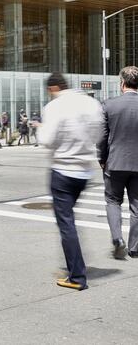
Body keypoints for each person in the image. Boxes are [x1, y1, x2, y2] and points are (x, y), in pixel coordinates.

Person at [39, 73, 103, 291]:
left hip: (63, 171)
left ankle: (77, 276)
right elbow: (98, 134)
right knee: (69, 221)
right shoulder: (90, 103)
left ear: (52, 88)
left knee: (66, 224)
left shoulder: (55, 107)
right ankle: (76, 264)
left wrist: (40, 128)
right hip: (85, 173)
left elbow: (46, 140)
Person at [98, 66, 138, 260]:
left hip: (114, 163)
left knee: (112, 201)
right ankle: (135, 247)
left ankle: (117, 239)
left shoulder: (108, 105)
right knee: (137, 207)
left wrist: (101, 159)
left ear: (122, 83)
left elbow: (102, 137)